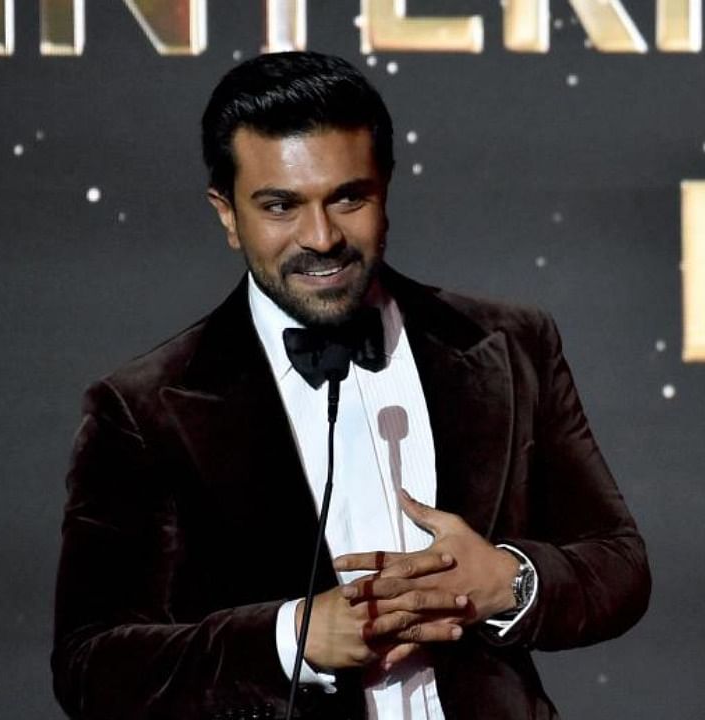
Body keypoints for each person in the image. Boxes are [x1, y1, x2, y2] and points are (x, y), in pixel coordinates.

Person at [51, 51, 650, 720]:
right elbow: (90, 667)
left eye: (348, 197)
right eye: (281, 206)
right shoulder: (143, 408)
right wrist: (291, 638)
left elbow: (620, 566)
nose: (321, 236)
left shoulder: (511, 344)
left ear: (386, 188)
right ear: (226, 214)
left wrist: (510, 582)